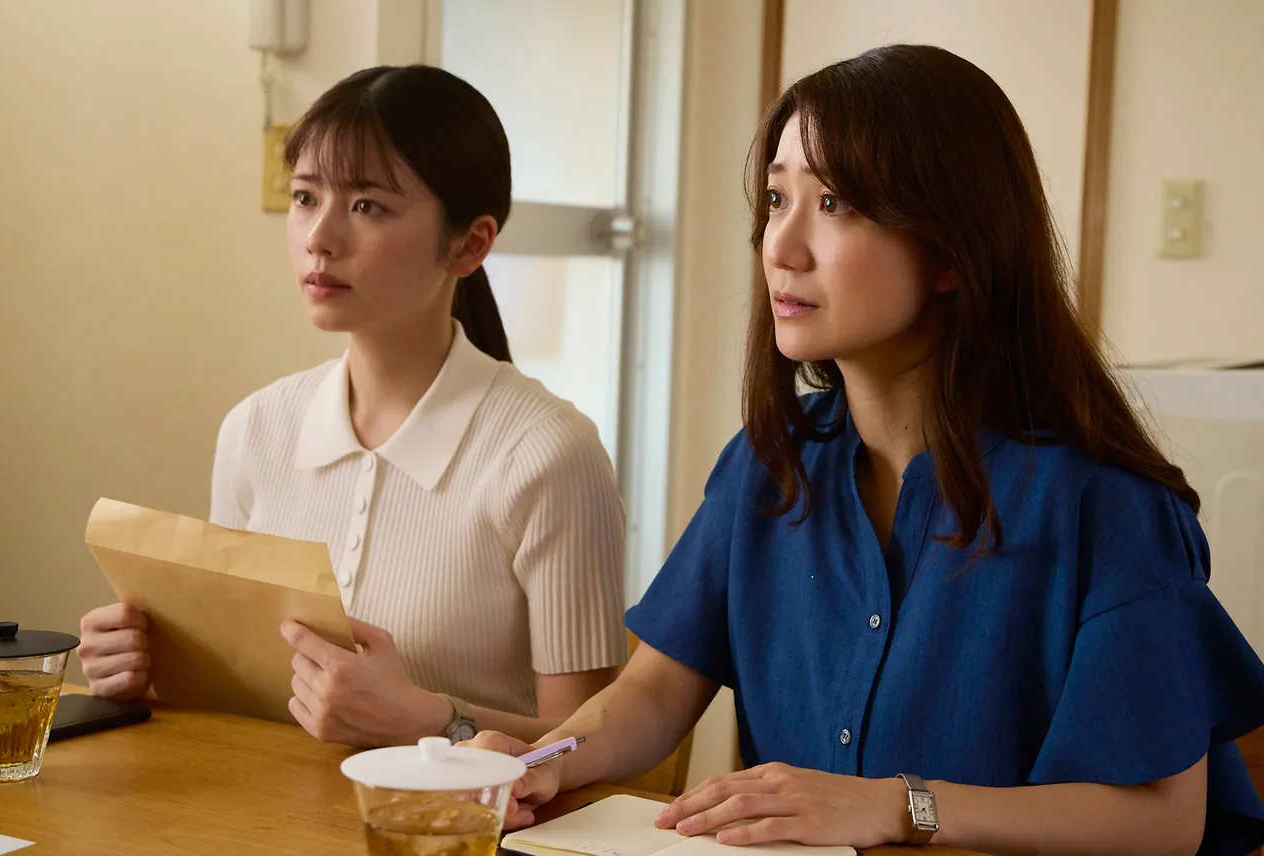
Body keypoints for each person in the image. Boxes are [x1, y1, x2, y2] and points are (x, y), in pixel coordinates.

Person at [468, 45, 1264, 856]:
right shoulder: (766, 464)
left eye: (836, 201)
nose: (781, 245)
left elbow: (1163, 820)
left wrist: (899, 807)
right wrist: (543, 763)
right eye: (778, 198)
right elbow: (651, 694)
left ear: (953, 249)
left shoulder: (1107, 504)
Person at [76, 65, 628, 747]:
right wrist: (150, 670)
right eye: (306, 197)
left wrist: (436, 721)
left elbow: (592, 750)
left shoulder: (549, 455)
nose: (319, 237)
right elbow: (239, 703)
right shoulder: (256, 430)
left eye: (368, 206)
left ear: (470, 243)